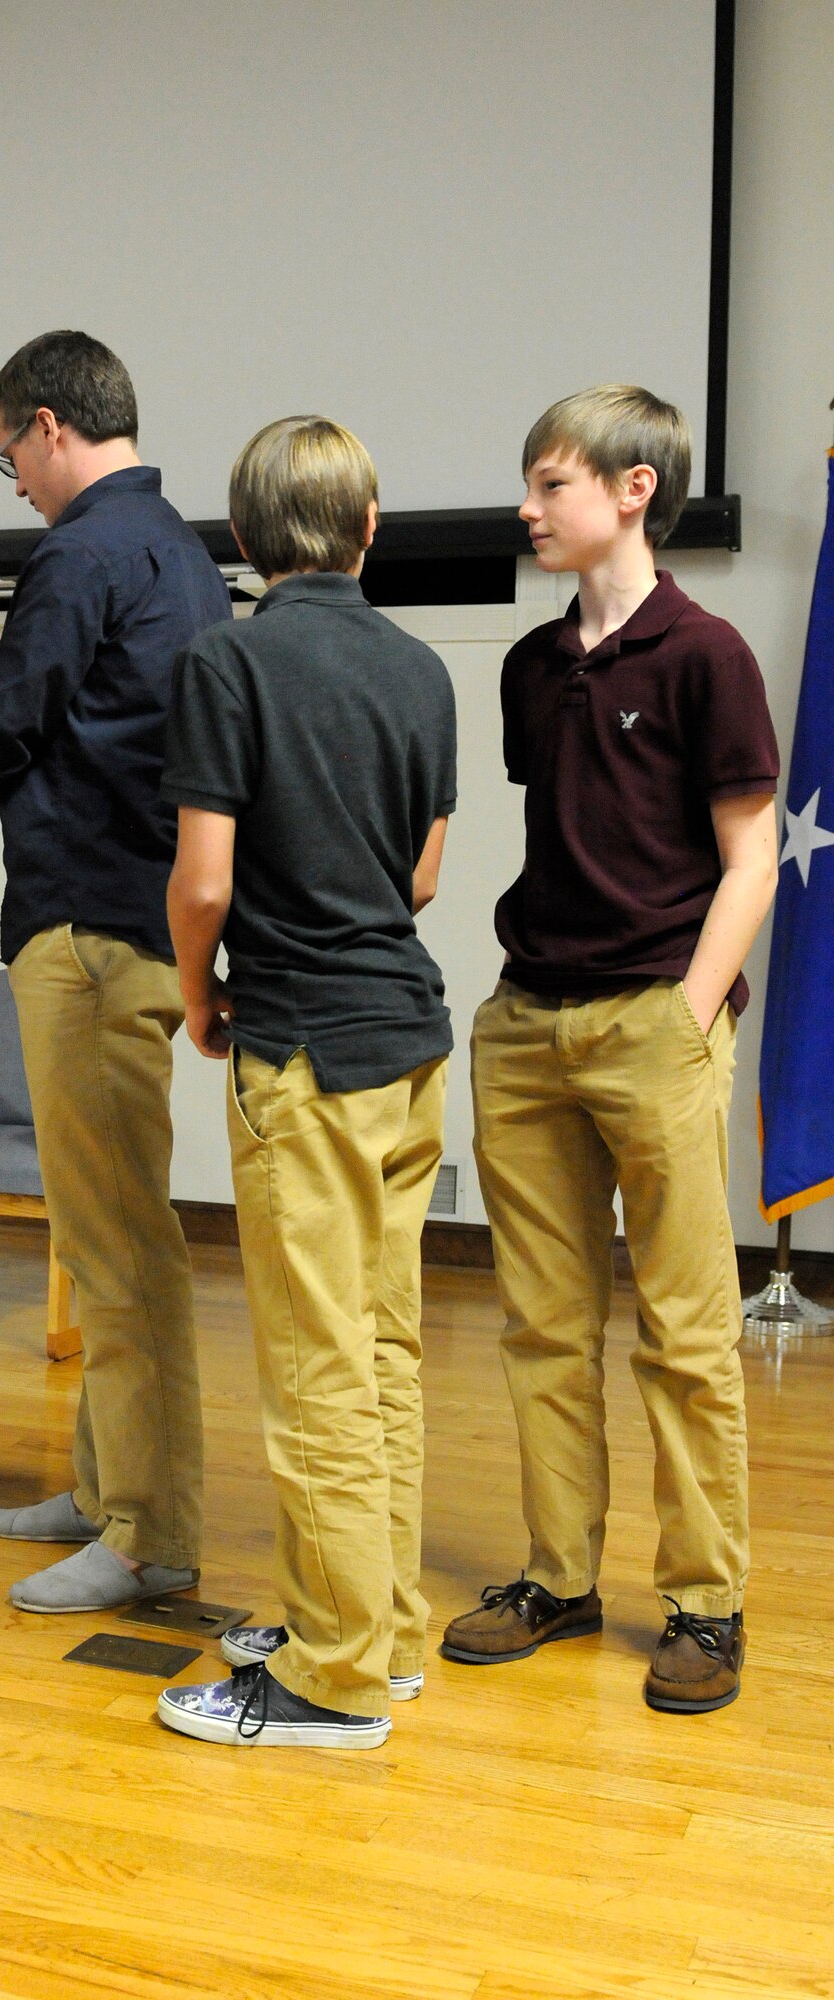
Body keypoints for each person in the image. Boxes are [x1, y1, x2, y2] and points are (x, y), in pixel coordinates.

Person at [0, 330, 231, 1612]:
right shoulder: (175, 548)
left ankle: (147, 1535)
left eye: (6, 452)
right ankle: (105, 1484)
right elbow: (85, 704)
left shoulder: (76, 550)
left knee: (119, 1244)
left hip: (84, 931)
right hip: (142, 920)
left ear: (44, 424)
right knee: (111, 1228)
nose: (8, 478)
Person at [440, 385, 779, 1713]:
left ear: (632, 490)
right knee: (541, 1325)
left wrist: (687, 1015)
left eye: (551, 484)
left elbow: (750, 862)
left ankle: (704, 1602)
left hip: (656, 1022)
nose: (528, 509)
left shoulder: (708, 657)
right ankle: (555, 1581)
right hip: (527, 1025)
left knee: (686, 1332)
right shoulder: (533, 666)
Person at [150, 415, 455, 1749]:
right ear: (370, 528)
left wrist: (195, 987)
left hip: (304, 1052)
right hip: (408, 1040)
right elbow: (424, 878)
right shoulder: (423, 668)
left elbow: (205, 878)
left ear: (242, 538)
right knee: (382, 1354)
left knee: (315, 1372)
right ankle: (375, 1630)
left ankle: (329, 1685)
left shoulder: (228, 659)